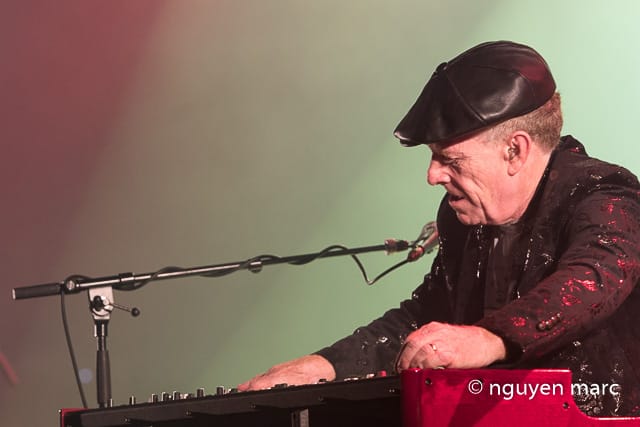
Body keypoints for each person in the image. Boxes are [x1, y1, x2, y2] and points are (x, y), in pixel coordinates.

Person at [238, 41, 640, 417]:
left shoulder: (603, 191)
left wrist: (488, 338)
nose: (433, 176)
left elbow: (594, 277)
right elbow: (425, 319)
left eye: (450, 160)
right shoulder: (463, 219)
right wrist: (325, 366)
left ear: (514, 150)